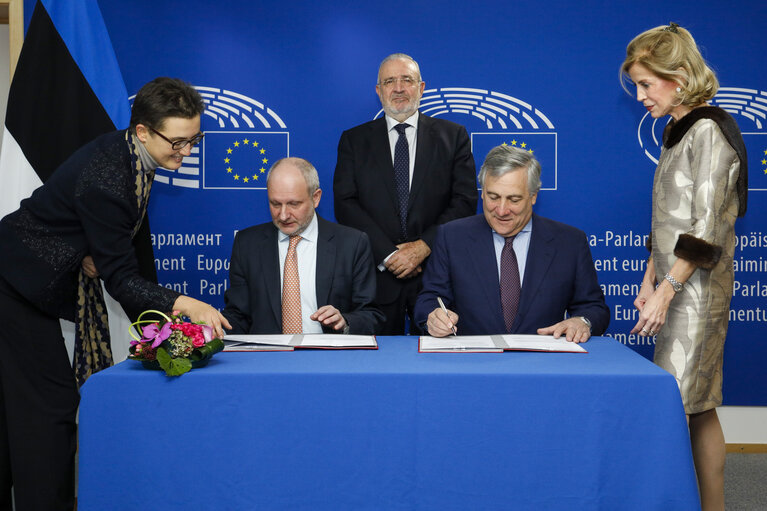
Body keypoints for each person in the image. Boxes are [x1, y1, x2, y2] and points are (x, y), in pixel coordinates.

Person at [0, 77, 231, 511]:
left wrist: (164, 325)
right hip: (13, 285)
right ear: (143, 131)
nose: (186, 152)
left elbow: (129, 255)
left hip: (23, 281)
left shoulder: (133, 157)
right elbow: (122, 279)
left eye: (193, 140)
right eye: (177, 142)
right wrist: (187, 305)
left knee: (18, 411)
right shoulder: (110, 174)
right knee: (48, 410)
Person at [621, 23, 747, 511]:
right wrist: (651, 276)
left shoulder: (711, 130)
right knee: (698, 406)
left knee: (680, 406)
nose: (639, 96)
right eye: (636, 85)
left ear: (678, 76)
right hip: (676, 281)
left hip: (696, 290)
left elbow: (708, 223)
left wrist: (668, 288)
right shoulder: (680, 128)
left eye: (646, 84)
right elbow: (670, 214)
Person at [334, 53, 477, 335]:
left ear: (421, 88)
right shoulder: (354, 140)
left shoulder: (454, 136)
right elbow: (345, 203)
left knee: (440, 366)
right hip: (375, 279)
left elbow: (464, 201)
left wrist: (423, 247)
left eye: (406, 80)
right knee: (375, 367)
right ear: (379, 91)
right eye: (389, 81)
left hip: (436, 274)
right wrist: (389, 255)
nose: (398, 88)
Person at [413, 145, 609, 341]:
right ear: (482, 192)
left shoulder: (569, 242)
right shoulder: (452, 236)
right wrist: (433, 317)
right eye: (493, 197)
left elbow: (593, 307)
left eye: (514, 199)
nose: (501, 210)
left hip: (544, 365)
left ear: (533, 196)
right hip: (471, 363)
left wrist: (583, 322)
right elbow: (429, 298)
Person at [223, 157, 383, 335]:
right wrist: (213, 329)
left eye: (293, 204)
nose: (283, 215)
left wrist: (344, 322)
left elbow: (372, 316)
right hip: (267, 358)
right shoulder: (247, 244)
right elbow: (238, 316)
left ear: (316, 198)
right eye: (275, 204)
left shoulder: (352, 244)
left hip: (330, 358)